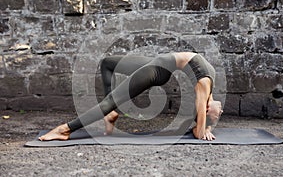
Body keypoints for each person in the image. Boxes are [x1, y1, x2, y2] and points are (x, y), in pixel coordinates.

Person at [39, 52, 223, 141]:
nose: (220, 111)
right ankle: (109, 114)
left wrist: (203, 128)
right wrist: (205, 126)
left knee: (111, 101)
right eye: (217, 116)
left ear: (206, 109)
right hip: (158, 61)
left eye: (215, 116)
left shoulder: (203, 88)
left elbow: (199, 132)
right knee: (107, 64)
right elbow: (201, 122)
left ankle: (65, 130)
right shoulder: (208, 84)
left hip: (157, 70)